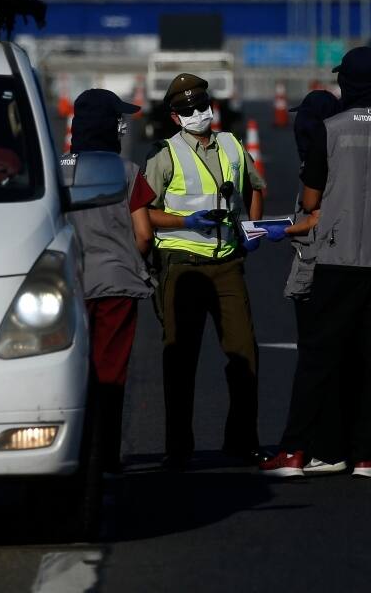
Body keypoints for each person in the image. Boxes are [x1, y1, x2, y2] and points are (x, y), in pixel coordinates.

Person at [261, 47, 371, 479]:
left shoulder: (331, 130)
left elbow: (310, 199)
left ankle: (296, 451)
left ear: (347, 85)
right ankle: (369, 455)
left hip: (339, 257)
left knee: (320, 355)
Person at [144, 73, 268, 468]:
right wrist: (186, 222)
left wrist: (250, 226)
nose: (198, 114)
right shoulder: (164, 155)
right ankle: (178, 448)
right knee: (180, 359)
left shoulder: (232, 145)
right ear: (176, 118)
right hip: (181, 265)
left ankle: (243, 441)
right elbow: (144, 213)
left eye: (202, 106)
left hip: (227, 262)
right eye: (188, 110)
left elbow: (254, 187)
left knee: (244, 354)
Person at [66, 89, 155, 475]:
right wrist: (130, 260)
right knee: (110, 372)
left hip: (68, 286)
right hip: (117, 283)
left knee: (73, 372)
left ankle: (73, 450)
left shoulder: (55, 169)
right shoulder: (128, 171)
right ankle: (105, 455)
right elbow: (144, 234)